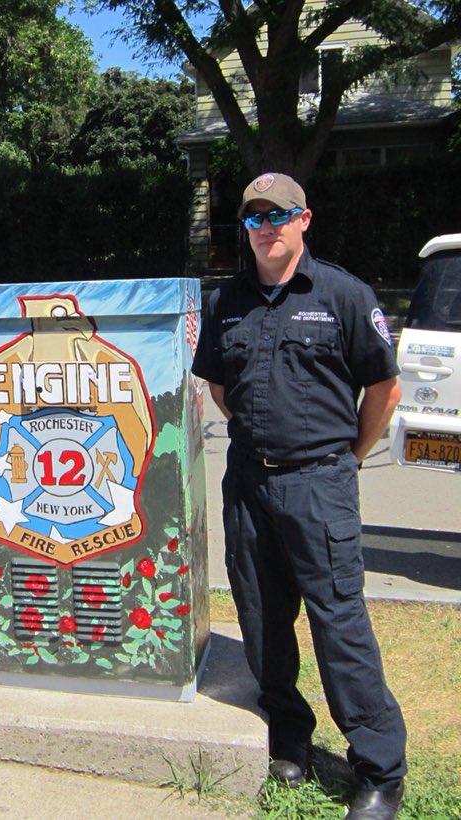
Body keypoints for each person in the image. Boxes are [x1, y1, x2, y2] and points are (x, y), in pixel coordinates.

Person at [192, 173, 407, 820]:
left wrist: (348, 456)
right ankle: (290, 741)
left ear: (304, 219)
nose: (266, 228)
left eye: (278, 216)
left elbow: (384, 390)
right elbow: (219, 386)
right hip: (249, 484)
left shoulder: (343, 294)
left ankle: (379, 770)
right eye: (255, 219)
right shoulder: (227, 301)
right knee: (260, 621)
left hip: (320, 483)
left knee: (339, 625)